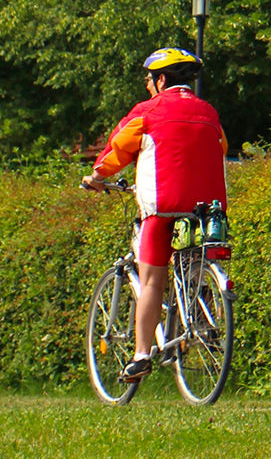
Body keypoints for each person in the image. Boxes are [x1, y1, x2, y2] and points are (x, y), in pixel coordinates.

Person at [81, 48, 228, 381]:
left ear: (161, 80)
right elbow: (220, 148)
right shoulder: (209, 112)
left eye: (150, 80)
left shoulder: (148, 111)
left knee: (151, 281)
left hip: (162, 206)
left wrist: (97, 178)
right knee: (191, 260)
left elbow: (117, 150)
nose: (149, 86)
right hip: (208, 208)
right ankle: (201, 310)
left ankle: (141, 355)